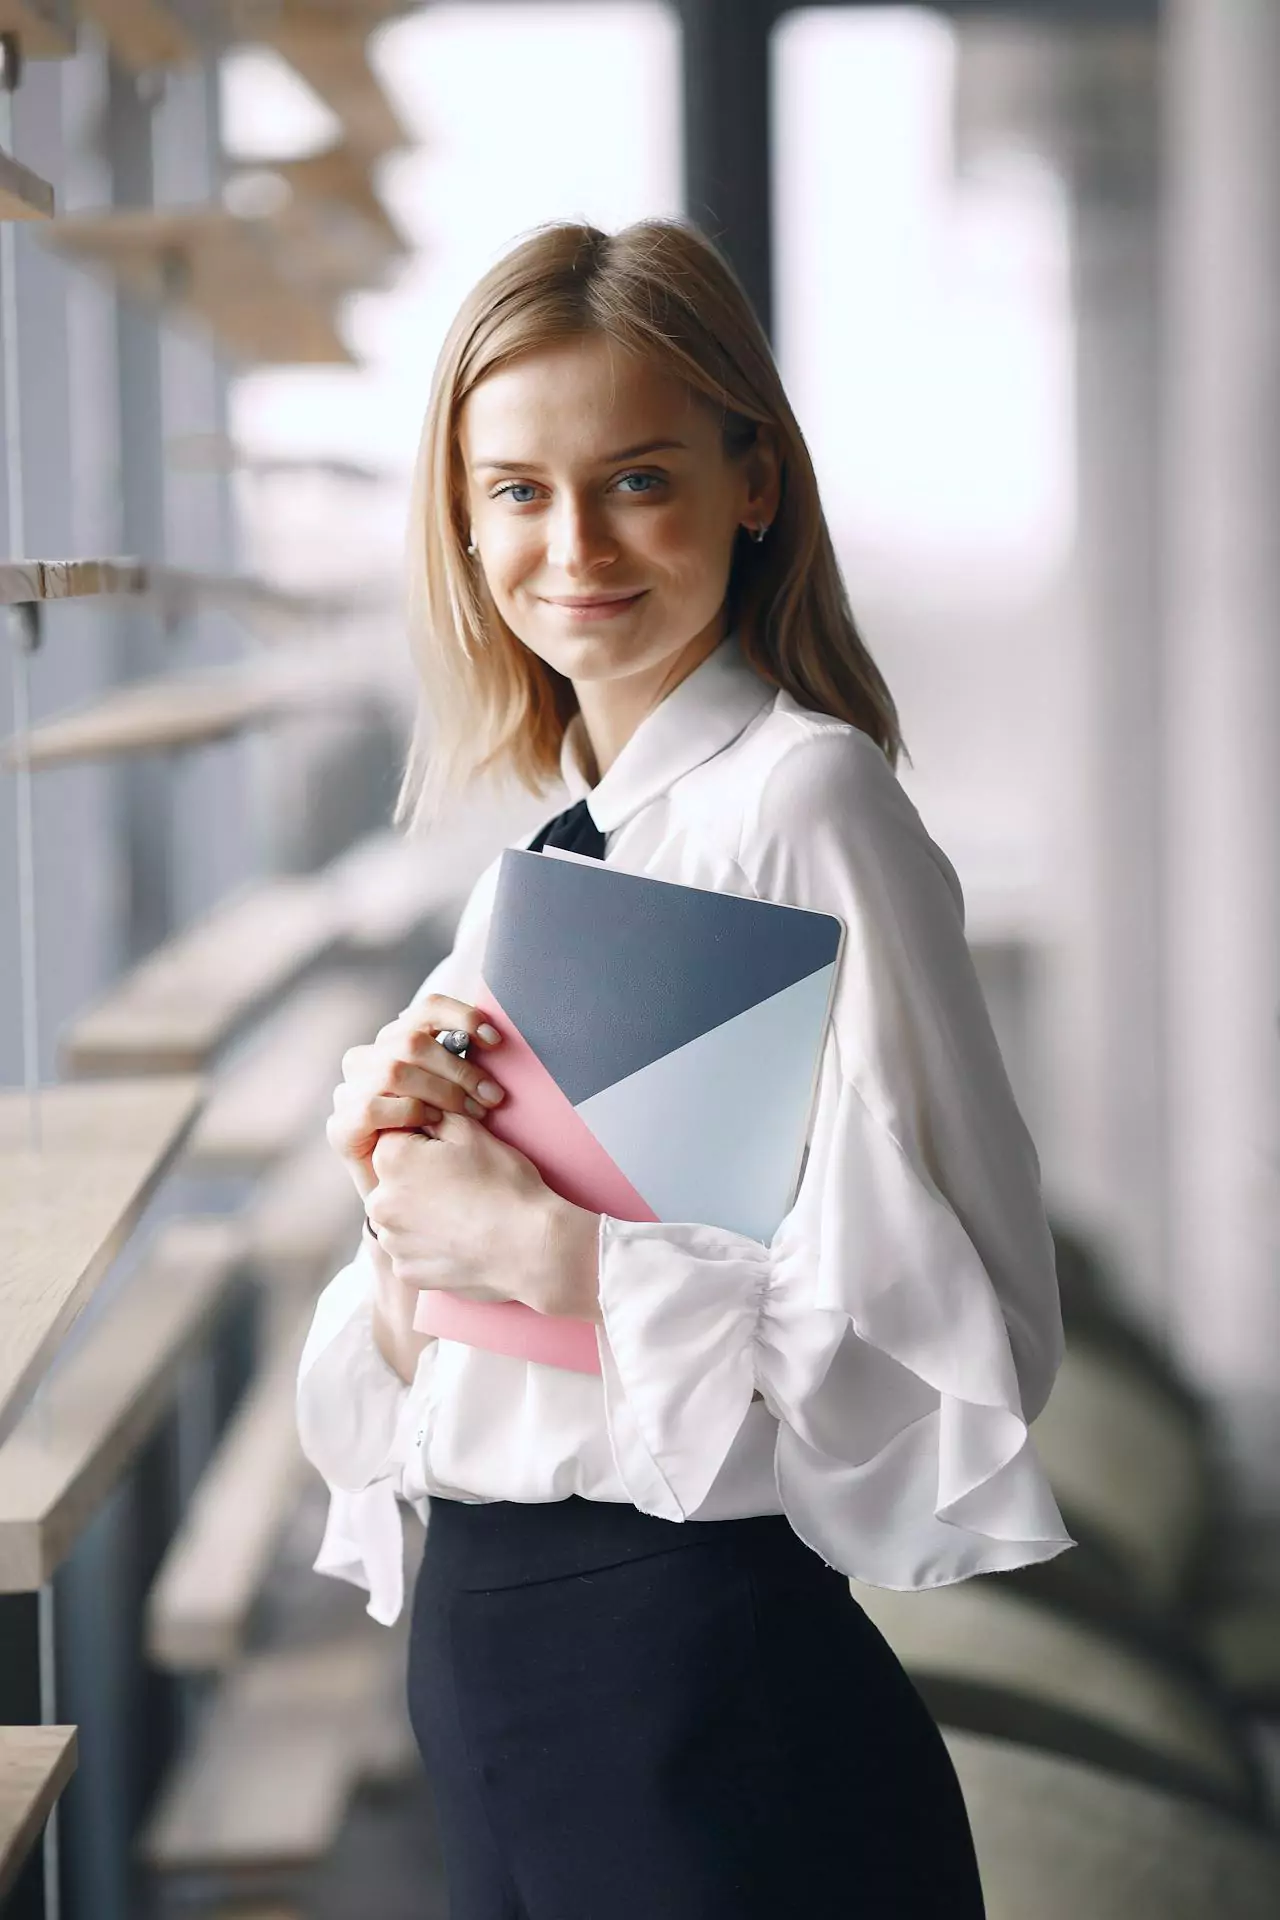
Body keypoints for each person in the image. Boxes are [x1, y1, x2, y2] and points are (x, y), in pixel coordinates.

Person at [296, 217, 1074, 1920]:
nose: (572, 545)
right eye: (517, 490)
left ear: (753, 485)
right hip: (496, 1664)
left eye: (636, 480)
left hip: (695, 1680)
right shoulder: (547, 861)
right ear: (461, 520)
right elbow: (436, 1369)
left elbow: (968, 1331)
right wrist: (402, 1200)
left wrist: (553, 1253)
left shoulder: (807, 803)